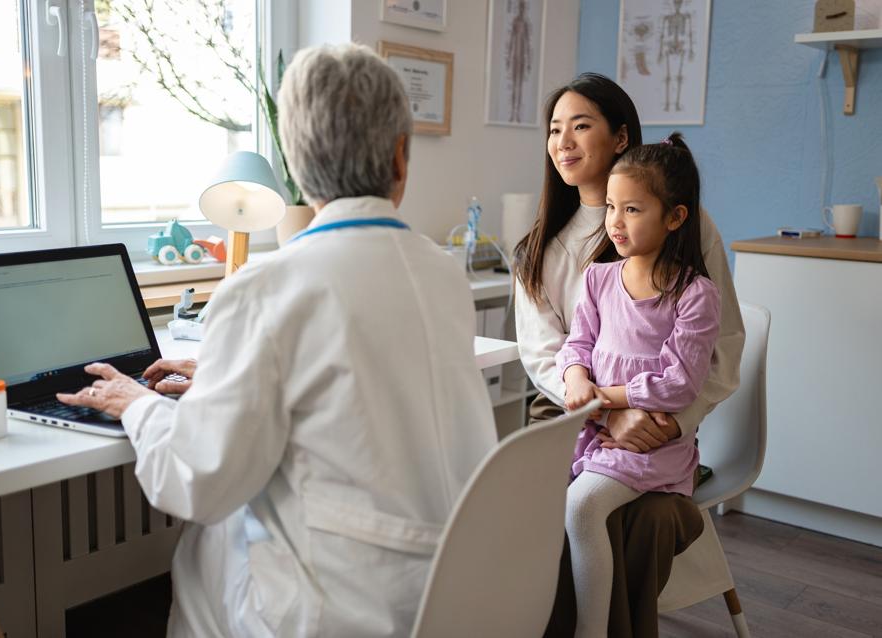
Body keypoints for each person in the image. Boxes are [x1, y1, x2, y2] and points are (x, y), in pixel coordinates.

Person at [59, 43, 498, 637]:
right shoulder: (442, 272)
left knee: (207, 540)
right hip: (452, 590)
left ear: (294, 161)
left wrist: (137, 404)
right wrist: (228, 370)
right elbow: (355, 377)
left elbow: (197, 483)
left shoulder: (264, 287)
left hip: (338, 611)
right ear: (401, 158)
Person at [513, 73, 744, 637]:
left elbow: (722, 348)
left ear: (620, 137)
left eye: (581, 126)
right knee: (532, 499)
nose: (563, 141)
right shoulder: (542, 246)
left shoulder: (683, 226)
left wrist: (668, 424)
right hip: (568, 415)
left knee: (647, 517)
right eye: (554, 130)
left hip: (662, 427)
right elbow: (548, 356)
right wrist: (604, 410)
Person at [558, 133, 720, 637]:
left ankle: (591, 631)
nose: (615, 222)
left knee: (582, 506)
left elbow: (678, 384)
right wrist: (576, 377)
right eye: (610, 207)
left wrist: (606, 398)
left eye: (632, 209)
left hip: (652, 449)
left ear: (674, 217)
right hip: (595, 434)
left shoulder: (695, 294)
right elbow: (575, 345)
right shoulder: (597, 279)